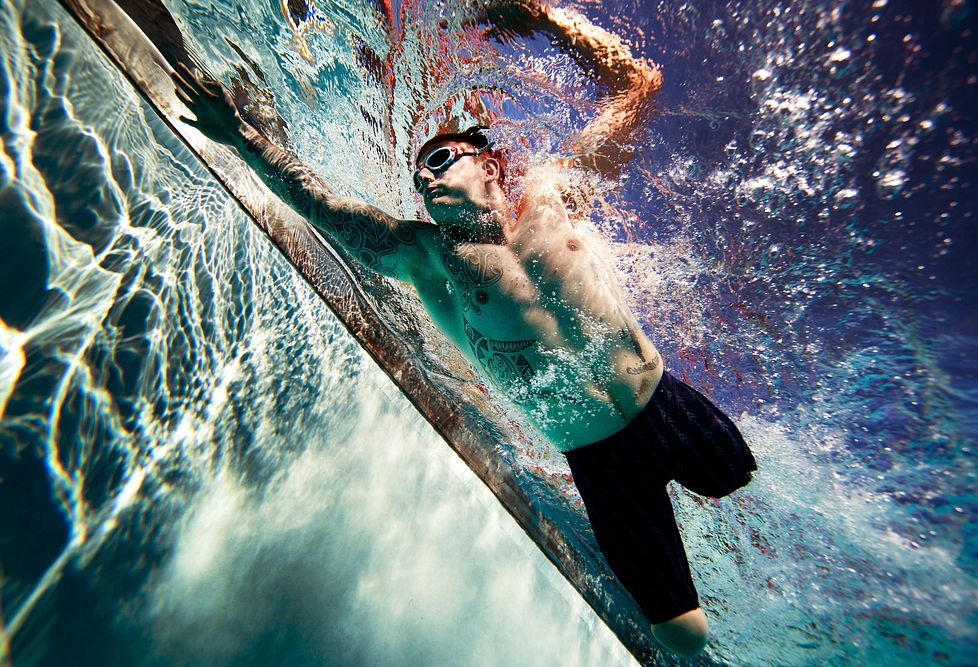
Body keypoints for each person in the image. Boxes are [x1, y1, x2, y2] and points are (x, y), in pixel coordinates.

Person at [171, 0, 756, 656]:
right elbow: (321, 205)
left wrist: (545, 20)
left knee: (743, 479)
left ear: (489, 166)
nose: (424, 176)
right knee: (683, 638)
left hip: (665, 405)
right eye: (420, 173)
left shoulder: (554, 196)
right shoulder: (429, 261)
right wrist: (243, 137)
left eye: (442, 158)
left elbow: (638, 87)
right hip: (599, 461)